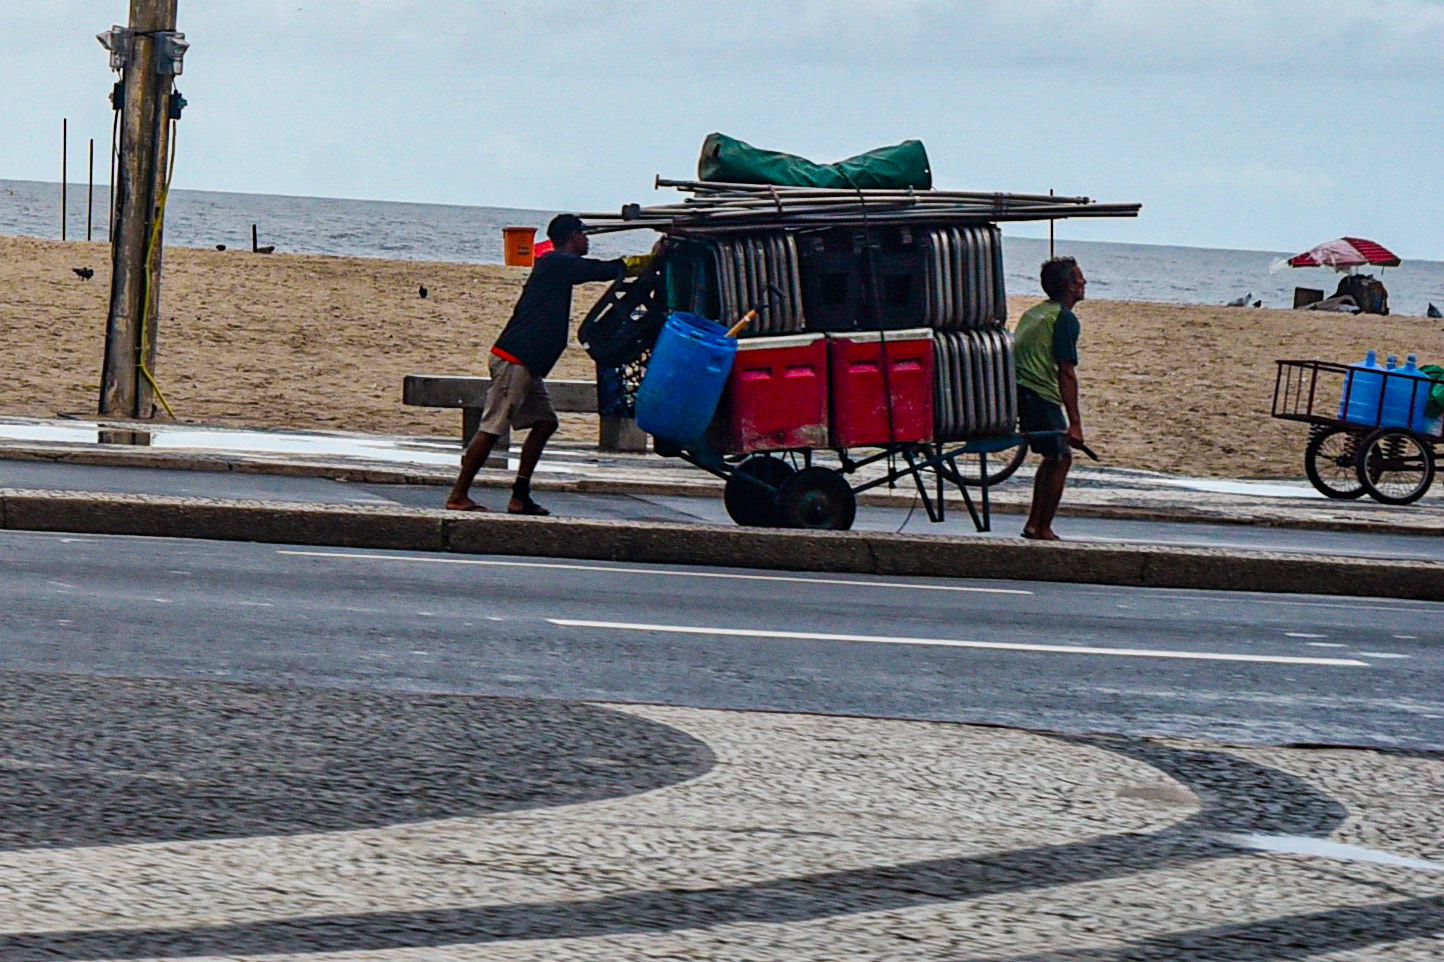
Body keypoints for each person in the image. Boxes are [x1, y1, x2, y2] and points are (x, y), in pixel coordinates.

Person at [446, 214, 625, 514]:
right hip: (516, 360)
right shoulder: (556, 263)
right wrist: (634, 263)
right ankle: (458, 495)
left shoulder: (558, 266)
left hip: (529, 365)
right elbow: (600, 270)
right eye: (583, 234)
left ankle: (520, 495)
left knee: (545, 423)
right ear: (571, 236)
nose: (588, 239)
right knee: (492, 427)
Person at [1012, 256, 1086, 540]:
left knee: (1053, 456)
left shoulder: (1036, 312)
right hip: (1037, 392)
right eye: (1079, 278)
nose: (1084, 282)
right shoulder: (1064, 319)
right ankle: (1040, 526)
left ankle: (1036, 523)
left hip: (1021, 390)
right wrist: (1075, 423)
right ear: (1069, 286)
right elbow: (1066, 373)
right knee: (1060, 457)